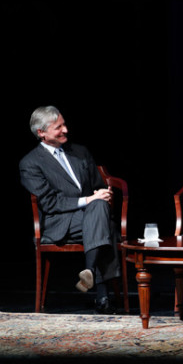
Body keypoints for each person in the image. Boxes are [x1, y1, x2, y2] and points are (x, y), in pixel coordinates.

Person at [20, 106, 120, 314]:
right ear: (42, 133)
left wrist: (104, 194)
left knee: (100, 208)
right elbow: (50, 203)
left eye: (64, 124)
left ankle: (90, 272)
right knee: (105, 224)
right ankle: (102, 292)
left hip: (91, 216)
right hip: (60, 222)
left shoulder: (80, 152)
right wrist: (90, 200)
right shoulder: (30, 163)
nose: (65, 130)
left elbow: (98, 185)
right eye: (58, 127)